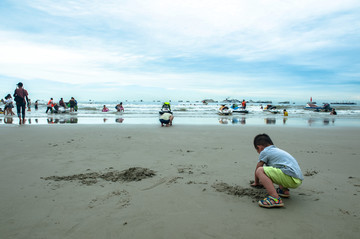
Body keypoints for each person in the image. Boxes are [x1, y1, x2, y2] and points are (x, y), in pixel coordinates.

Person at [251, 134, 303, 208]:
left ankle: (275, 198)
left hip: (289, 177)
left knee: (260, 170)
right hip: (297, 179)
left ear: (259, 147)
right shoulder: (277, 151)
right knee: (277, 168)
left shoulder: (264, 152)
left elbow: (258, 167)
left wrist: (256, 182)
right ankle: (284, 190)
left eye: (257, 151)